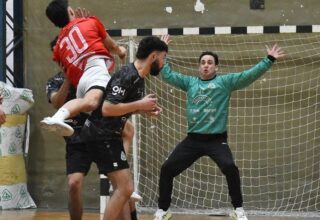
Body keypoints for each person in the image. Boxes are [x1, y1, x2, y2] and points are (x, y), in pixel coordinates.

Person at [154, 36, 284, 220]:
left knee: (230, 167)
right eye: (203, 63)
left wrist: (268, 60)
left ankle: (238, 210)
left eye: (210, 63)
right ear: (199, 67)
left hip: (216, 140)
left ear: (216, 67)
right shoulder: (190, 83)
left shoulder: (225, 82)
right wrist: (162, 50)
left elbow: (248, 75)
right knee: (167, 169)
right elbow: (166, 74)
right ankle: (163, 210)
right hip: (193, 140)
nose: (206, 65)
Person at [46, 38, 139, 220]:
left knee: (120, 187)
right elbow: (57, 102)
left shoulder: (93, 74)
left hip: (99, 136)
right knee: (74, 183)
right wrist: (67, 78)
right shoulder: (56, 80)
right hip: (77, 140)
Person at [81, 36, 168, 220]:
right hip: (101, 134)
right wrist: (140, 104)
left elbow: (121, 109)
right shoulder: (127, 75)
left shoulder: (139, 77)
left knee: (123, 191)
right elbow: (107, 108)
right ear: (153, 57)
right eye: (163, 58)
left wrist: (143, 110)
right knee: (125, 188)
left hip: (109, 135)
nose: (163, 63)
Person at [41, 0, 126, 136]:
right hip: (94, 69)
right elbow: (112, 47)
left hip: (81, 82)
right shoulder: (90, 22)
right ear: (70, 11)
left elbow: (66, 66)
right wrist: (121, 51)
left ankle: (60, 117)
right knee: (92, 103)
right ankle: (57, 118)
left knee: (126, 127)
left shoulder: (57, 48)